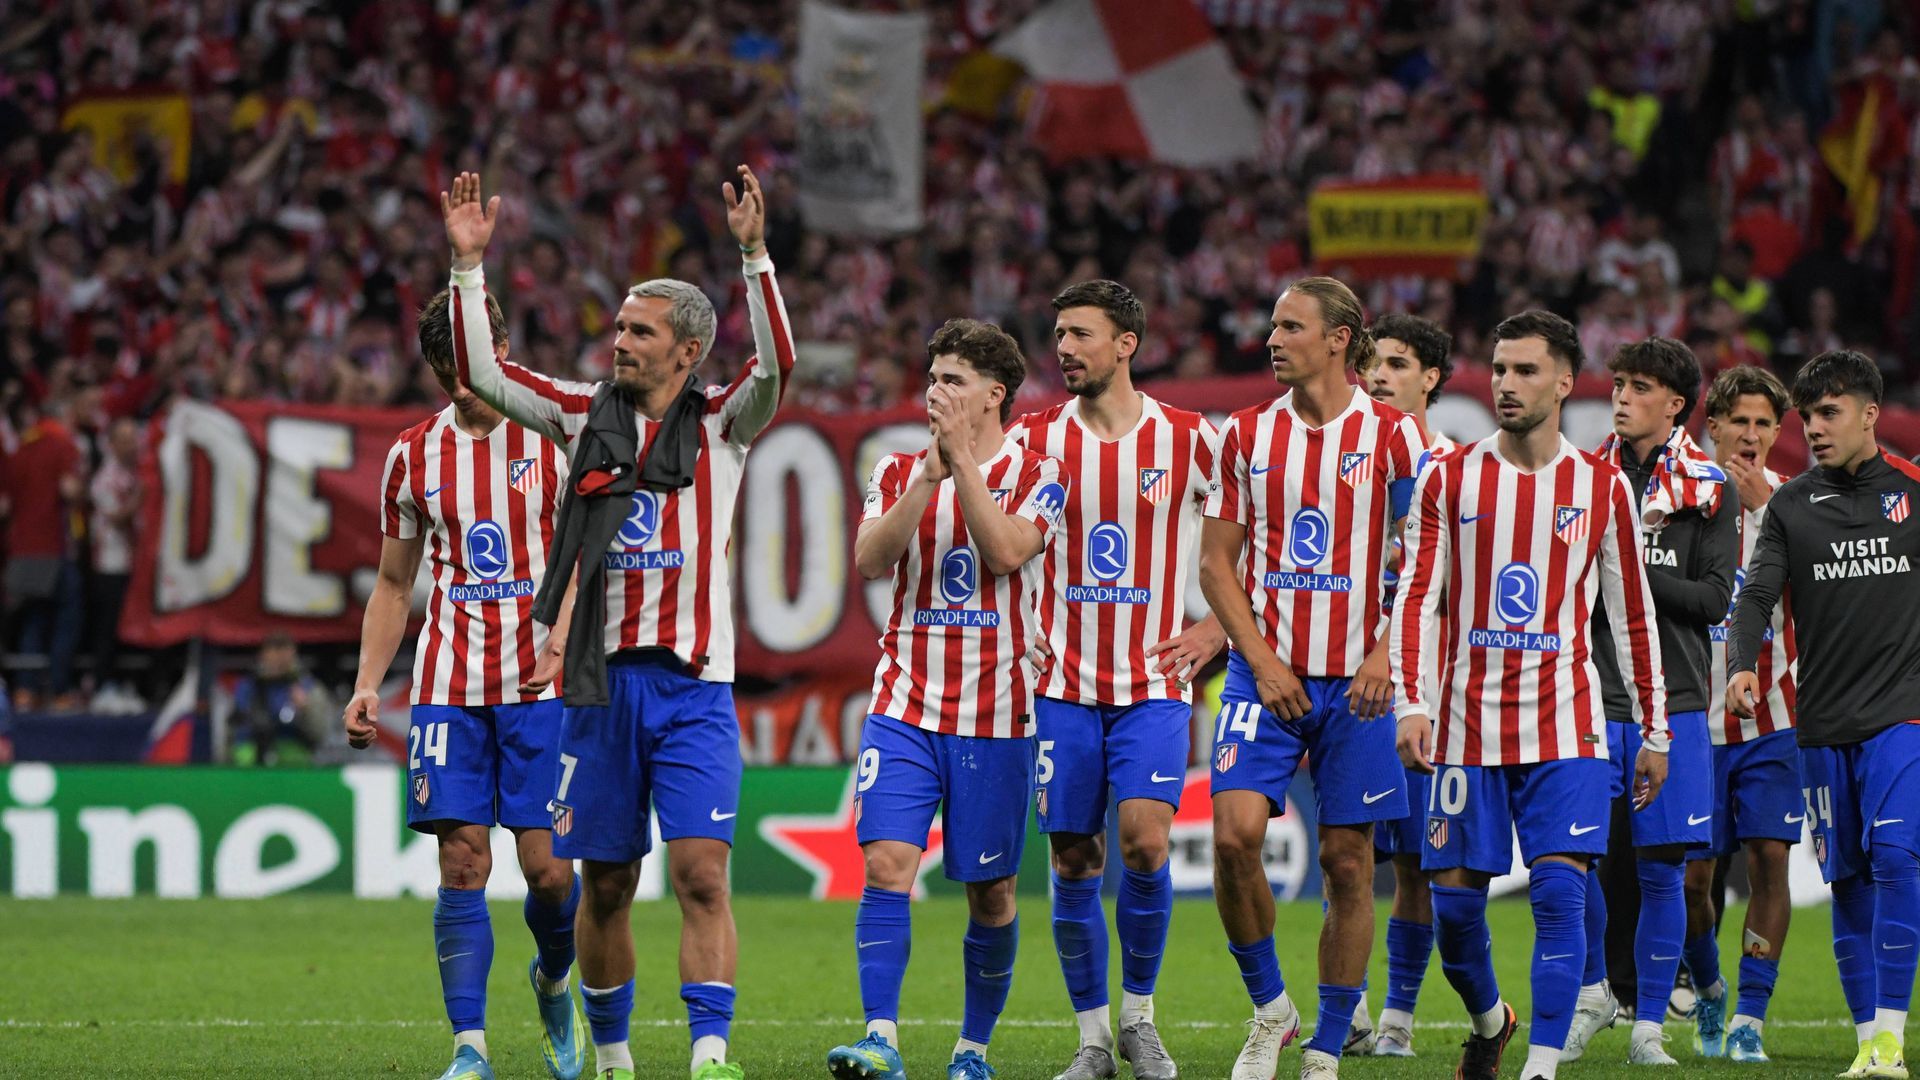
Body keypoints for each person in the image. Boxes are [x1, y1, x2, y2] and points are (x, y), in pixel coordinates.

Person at [440, 165, 795, 1080]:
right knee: (604, 883)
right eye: (619, 327)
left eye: (639, 331)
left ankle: (711, 1057)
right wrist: (468, 268)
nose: (619, 342)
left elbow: (779, 364)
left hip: (694, 691)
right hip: (595, 691)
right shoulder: (573, 417)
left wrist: (754, 255)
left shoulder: (726, 424)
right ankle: (613, 1057)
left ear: (686, 351)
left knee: (703, 876)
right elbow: (480, 370)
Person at [1390, 309, 1670, 1080]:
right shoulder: (1449, 477)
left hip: (1566, 727)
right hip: (1463, 726)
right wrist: (1410, 702)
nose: (1506, 385)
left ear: (1564, 382)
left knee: (1558, 893)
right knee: (1453, 913)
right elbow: (1414, 599)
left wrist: (1656, 731)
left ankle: (1541, 1065)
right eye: (1500, 369)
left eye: (1524, 371)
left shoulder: (1601, 486)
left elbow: (1633, 617)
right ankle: (1491, 1021)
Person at [344, 284, 586, 1080]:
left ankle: (553, 979)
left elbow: (585, 557)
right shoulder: (413, 455)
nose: (462, 386)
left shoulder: (552, 438)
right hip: (448, 685)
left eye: (472, 367)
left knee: (549, 870)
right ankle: (470, 1048)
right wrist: (368, 682)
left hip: (540, 688)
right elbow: (391, 582)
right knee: (462, 864)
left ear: (502, 354)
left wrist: (565, 639)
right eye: (446, 373)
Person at [826, 318, 1064, 1080]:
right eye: (932, 378)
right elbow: (868, 560)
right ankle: (881, 1039)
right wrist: (930, 474)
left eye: (954, 380)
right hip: (905, 706)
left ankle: (971, 1050)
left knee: (991, 893)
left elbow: (1004, 553)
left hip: (999, 716)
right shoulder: (897, 469)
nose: (936, 391)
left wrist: (961, 464)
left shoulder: (1041, 472)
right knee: (888, 863)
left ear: (995, 395)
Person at [1198, 277, 1421, 1080]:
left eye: (1291, 326)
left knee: (1348, 863)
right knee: (1233, 839)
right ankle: (1271, 1012)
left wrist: (1387, 651)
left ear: (1340, 338)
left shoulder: (1395, 438)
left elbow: (1428, 557)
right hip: (1267, 680)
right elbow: (1215, 562)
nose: (1272, 337)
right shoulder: (1247, 435)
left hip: (1360, 686)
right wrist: (1257, 660)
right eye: (1272, 324)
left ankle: (1328, 1040)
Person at [1007, 279, 1223, 1080]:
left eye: (1080, 335)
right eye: (1058, 334)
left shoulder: (1192, 438)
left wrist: (1217, 627)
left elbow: (1261, 539)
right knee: (1071, 858)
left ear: (1126, 343)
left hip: (1154, 684)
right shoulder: (1032, 439)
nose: (1063, 348)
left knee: (1144, 840)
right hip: (1061, 683)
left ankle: (1139, 1018)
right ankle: (1093, 1038)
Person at [1728, 350, 1920, 1080]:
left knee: (1899, 857)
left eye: (1828, 412)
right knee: (1850, 879)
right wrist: (1745, 660)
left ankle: (1891, 1040)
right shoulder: (1790, 504)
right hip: (1822, 722)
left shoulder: (1912, 492)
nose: (1812, 427)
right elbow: (1756, 596)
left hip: (1904, 713)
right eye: (1806, 416)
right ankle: (1869, 1040)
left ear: (1871, 414)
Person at [1566, 337, 1740, 1066]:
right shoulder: (1578, 478)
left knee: (1664, 867)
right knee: (1572, 860)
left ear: (1675, 404)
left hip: (1678, 700)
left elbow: (1711, 598)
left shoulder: (1708, 488)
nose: (1623, 396)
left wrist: (1627, 567)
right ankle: (1598, 987)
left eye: (1641, 387)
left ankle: (1647, 1030)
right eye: (1621, 383)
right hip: (1589, 697)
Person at [1686, 364, 1799, 1063]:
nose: (1752, 435)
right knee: (1694, 879)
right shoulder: (1679, 504)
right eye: (1739, 421)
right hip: (1693, 728)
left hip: (1776, 722)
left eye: (1765, 423)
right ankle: (1706, 990)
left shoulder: (1797, 505)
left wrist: (1765, 512)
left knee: (1768, 862)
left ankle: (1749, 1017)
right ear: (1713, 426)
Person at [1356, 312, 1457, 1057]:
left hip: (1425, 691)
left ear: (1431, 379)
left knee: (1423, 867)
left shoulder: (1455, 470)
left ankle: (1399, 1019)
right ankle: (1352, 1012)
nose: (1379, 375)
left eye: (1397, 363)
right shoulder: (1342, 461)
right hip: (1349, 688)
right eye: (1371, 363)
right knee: (1347, 851)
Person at [233, 633, 334, 766]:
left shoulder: (308, 687)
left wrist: (306, 709)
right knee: (244, 757)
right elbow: (237, 723)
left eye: (283, 655)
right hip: (252, 745)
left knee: (295, 758)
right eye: (274, 654)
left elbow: (320, 733)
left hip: (292, 745)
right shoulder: (248, 685)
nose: (278, 660)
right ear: (263, 655)